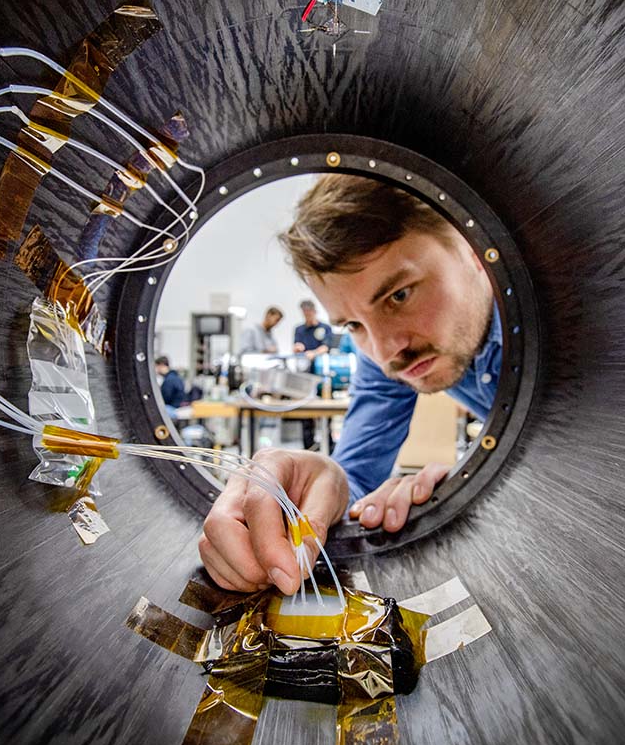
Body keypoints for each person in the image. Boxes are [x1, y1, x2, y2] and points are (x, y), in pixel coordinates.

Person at [199, 175, 499, 595]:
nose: (385, 350)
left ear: (472, 245)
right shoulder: (381, 357)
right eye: (353, 324)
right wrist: (323, 485)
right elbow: (357, 477)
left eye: (399, 295)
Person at [292, 299, 333, 450]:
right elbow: (296, 346)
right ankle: (308, 448)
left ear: (314, 311)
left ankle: (329, 446)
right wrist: (297, 348)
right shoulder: (299, 330)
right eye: (304, 313)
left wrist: (313, 353)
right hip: (305, 375)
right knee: (306, 415)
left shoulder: (325, 328)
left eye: (309, 312)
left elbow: (326, 347)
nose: (307, 315)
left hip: (324, 376)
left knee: (326, 414)